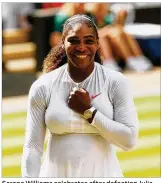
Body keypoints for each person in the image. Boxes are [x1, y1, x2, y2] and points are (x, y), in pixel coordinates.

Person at [21, 14, 139, 177]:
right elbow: (33, 147)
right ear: (62, 42)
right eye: (74, 40)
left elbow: (129, 141)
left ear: (98, 43)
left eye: (89, 40)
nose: (81, 47)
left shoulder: (116, 82)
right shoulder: (43, 86)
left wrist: (88, 112)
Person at [88, 3, 153, 72]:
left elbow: (116, 26)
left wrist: (120, 19)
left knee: (123, 34)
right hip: (98, 38)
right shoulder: (89, 16)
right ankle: (117, 61)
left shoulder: (108, 15)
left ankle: (138, 57)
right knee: (105, 37)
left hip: (108, 37)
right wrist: (108, 30)